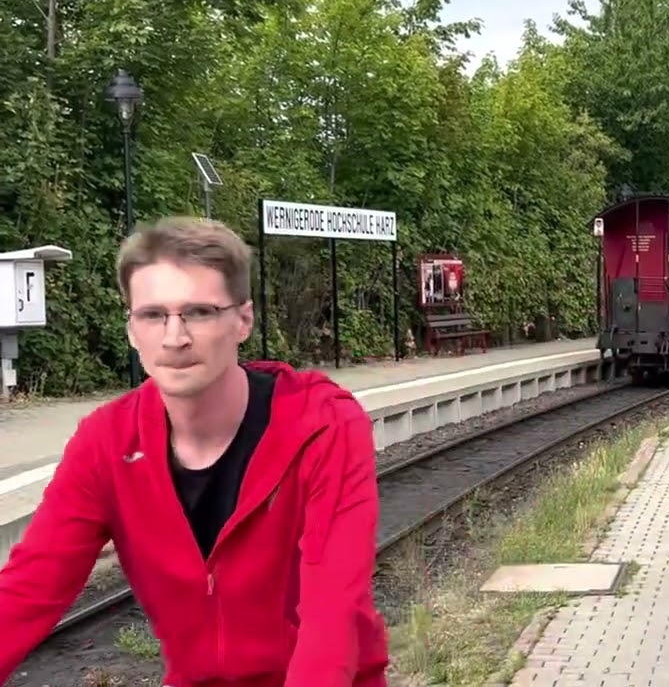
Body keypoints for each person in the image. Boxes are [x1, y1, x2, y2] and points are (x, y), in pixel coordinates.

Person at [0, 216, 389, 685]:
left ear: (243, 320)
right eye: (152, 315)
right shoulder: (106, 444)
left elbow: (333, 610)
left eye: (199, 312)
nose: (174, 338)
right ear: (131, 329)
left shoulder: (324, 425)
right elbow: (27, 593)